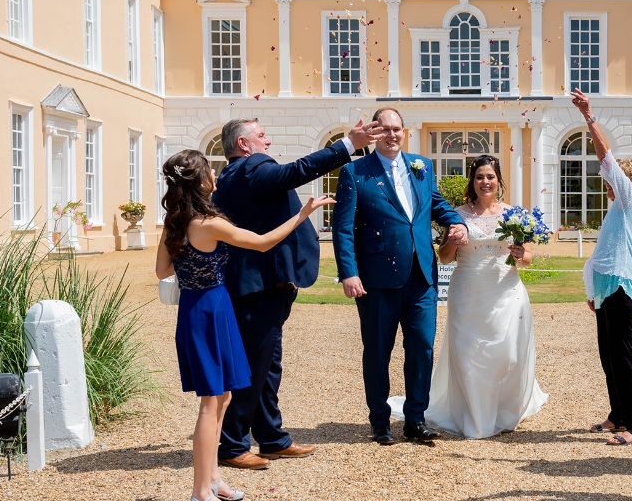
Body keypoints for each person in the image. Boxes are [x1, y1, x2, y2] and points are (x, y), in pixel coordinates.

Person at [155, 149, 334, 501]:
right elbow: (263, 242)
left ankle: (213, 479)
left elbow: (162, 271)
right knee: (211, 402)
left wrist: (191, 265)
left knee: (222, 398)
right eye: (210, 171)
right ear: (199, 180)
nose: (215, 176)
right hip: (212, 310)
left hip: (198, 309)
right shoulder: (209, 223)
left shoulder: (175, 223)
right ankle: (200, 496)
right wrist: (302, 214)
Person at [212, 118, 380, 471]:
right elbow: (297, 171)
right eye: (261, 135)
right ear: (243, 144)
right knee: (254, 365)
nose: (268, 140)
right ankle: (232, 445)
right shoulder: (251, 168)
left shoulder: (236, 174)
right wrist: (348, 144)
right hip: (259, 286)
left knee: (268, 364)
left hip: (262, 283)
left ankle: (271, 437)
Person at [332, 107, 468, 445]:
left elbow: (436, 204)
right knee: (378, 351)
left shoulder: (422, 166)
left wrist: (457, 221)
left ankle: (415, 419)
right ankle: (380, 421)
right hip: (377, 280)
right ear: (374, 133)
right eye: (385, 129)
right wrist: (349, 272)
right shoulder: (354, 172)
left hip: (422, 277)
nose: (392, 135)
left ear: (404, 132)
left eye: (397, 129)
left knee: (422, 348)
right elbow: (343, 228)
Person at [399, 155, 548, 438]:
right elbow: (444, 258)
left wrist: (521, 254)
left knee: (508, 354)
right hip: (468, 291)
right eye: (480, 177)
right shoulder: (457, 215)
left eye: (490, 176)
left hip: (506, 292)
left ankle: (503, 410)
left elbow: (528, 257)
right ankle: (474, 415)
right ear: (473, 181)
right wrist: (454, 242)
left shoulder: (513, 214)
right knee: (469, 354)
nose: (485, 182)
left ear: (499, 180)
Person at [571, 88, 632, 446]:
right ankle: (618, 415)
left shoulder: (630, 200)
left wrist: (588, 117)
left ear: (621, 180)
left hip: (622, 289)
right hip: (607, 291)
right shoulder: (618, 209)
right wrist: (594, 291)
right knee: (609, 356)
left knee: (623, 356)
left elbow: (605, 157)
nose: (605, 183)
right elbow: (603, 253)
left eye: (610, 179)